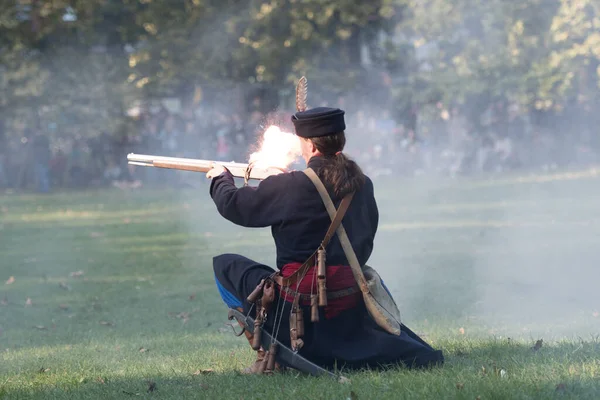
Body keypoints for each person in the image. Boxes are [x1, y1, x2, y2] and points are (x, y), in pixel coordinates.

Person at [208, 107, 444, 374]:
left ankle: (267, 354)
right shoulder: (362, 183)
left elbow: (234, 205)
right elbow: (364, 246)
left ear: (309, 143)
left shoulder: (290, 185)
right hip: (349, 307)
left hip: (299, 310)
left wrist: (220, 178)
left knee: (224, 266)